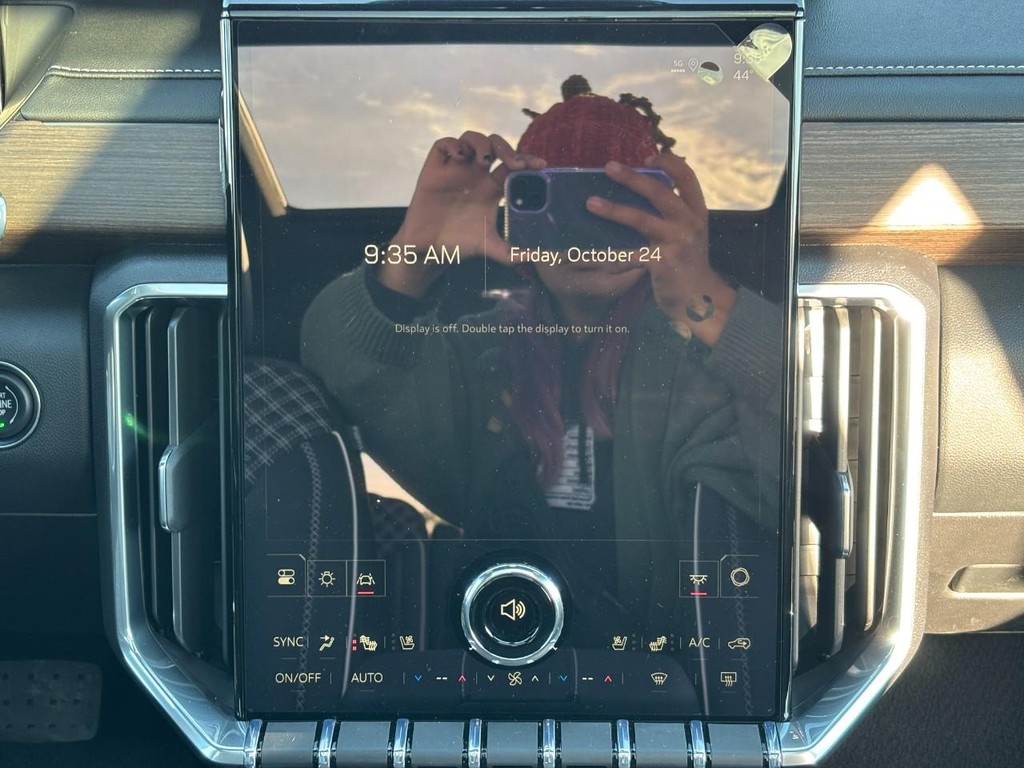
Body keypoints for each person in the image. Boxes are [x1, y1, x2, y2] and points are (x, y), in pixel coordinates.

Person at [300, 77, 783, 633]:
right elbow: (343, 367)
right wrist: (415, 254)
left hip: (658, 658)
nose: (590, 227)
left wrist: (706, 300)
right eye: (559, 201)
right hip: (486, 639)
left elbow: (793, 470)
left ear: (663, 212)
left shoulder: (699, 365)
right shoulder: (479, 351)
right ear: (519, 213)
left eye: (618, 203)